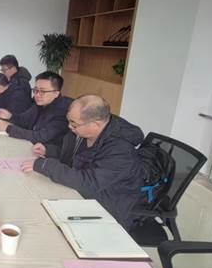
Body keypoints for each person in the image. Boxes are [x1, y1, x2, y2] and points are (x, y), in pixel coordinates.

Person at [21, 95, 145, 230]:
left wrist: (45, 165)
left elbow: (88, 182)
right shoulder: (85, 132)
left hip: (107, 211)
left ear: (95, 124)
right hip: (81, 195)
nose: (69, 126)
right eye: (69, 120)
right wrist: (48, 150)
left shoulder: (121, 152)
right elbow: (75, 156)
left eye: (74, 123)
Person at [0, 71, 72, 148]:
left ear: (56, 93)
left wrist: (9, 128)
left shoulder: (63, 112)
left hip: (44, 152)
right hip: (30, 145)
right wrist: (9, 116)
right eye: (36, 90)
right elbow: (24, 120)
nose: (37, 95)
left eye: (43, 91)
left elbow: (40, 136)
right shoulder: (40, 104)